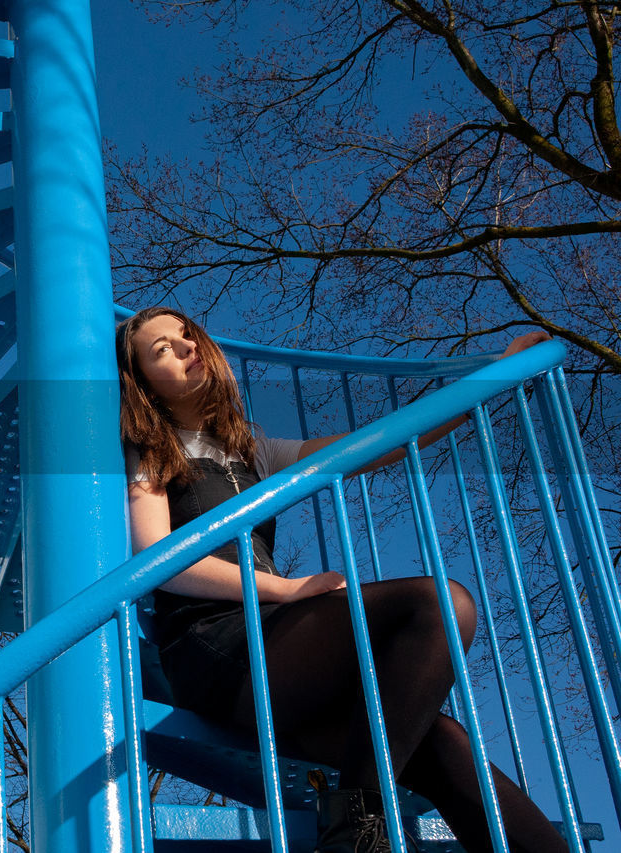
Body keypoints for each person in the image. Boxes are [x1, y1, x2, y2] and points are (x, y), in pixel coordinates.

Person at [117, 306, 566, 853]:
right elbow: (163, 561)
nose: (186, 347)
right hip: (216, 648)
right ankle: (356, 825)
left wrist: (490, 378)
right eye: (161, 349)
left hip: (280, 651)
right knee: (436, 606)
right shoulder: (152, 451)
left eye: (187, 335)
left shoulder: (253, 447)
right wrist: (286, 588)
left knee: (444, 744)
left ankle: (354, 824)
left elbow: (385, 442)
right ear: (140, 385)